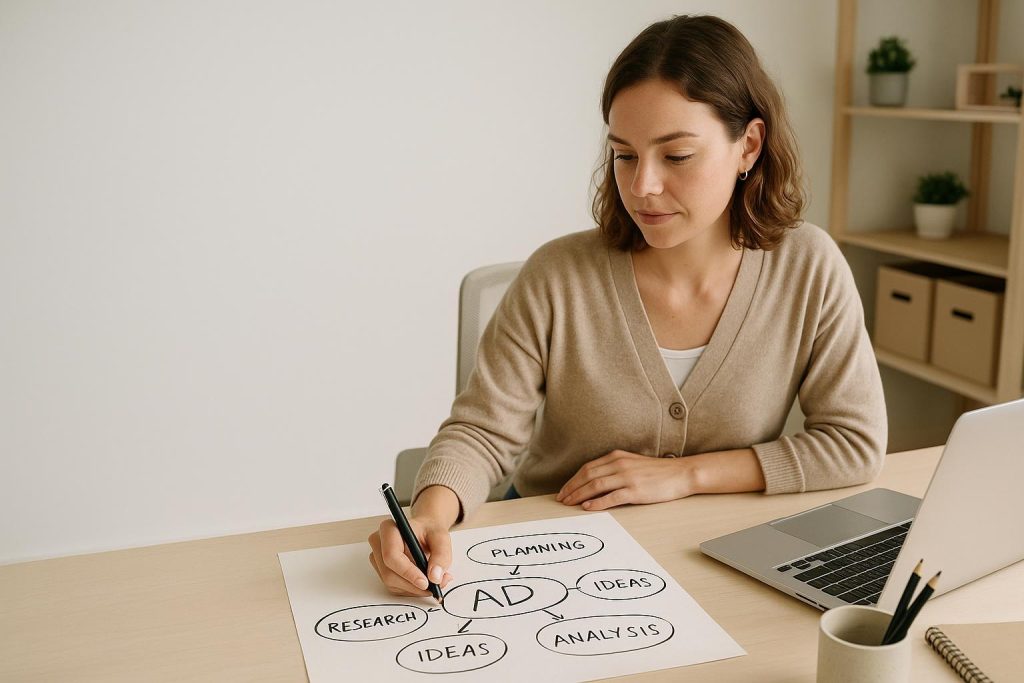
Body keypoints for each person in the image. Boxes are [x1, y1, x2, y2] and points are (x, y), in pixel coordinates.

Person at [367, 14, 886, 598]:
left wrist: (685, 476)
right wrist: (430, 513)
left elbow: (854, 443)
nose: (642, 186)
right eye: (624, 156)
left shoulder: (808, 267)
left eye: (677, 156)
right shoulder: (557, 276)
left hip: (716, 563)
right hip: (551, 560)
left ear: (749, 146)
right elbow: (483, 435)